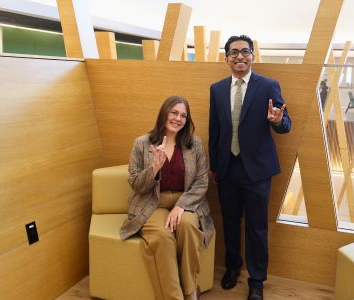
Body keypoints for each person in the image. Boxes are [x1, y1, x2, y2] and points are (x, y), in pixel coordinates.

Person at [209, 35, 291, 300]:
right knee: (230, 223)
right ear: (226, 59)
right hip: (227, 168)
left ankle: (257, 281)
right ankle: (233, 267)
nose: (240, 56)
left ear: (253, 56)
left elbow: (285, 124)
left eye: (245, 51)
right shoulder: (217, 89)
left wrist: (277, 121)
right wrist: (214, 166)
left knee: (257, 227)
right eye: (234, 52)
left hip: (257, 171)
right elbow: (215, 130)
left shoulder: (268, 86)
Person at [120, 96, 215, 300]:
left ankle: (190, 292)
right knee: (163, 237)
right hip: (151, 203)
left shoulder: (195, 144)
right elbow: (136, 183)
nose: (178, 118)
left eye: (183, 115)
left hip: (186, 202)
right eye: (174, 112)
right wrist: (155, 167)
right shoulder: (141, 143)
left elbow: (201, 181)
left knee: (189, 227)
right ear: (164, 113)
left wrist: (181, 206)